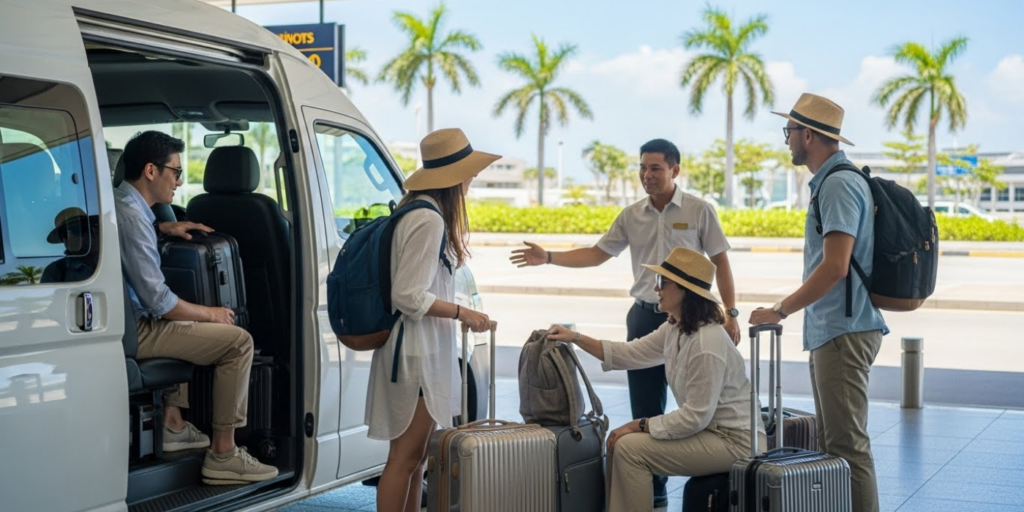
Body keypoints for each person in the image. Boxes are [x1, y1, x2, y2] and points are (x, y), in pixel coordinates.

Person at [511, 138, 740, 506]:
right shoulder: (632, 214)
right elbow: (597, 254)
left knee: (680, 407)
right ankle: (654, 493)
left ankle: (651, 473)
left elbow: (720, 262)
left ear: (675, 171)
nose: (647, 176)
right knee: (645, 408)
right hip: (648, 317)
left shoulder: (699, 210)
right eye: (642, 168)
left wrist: (730, 311)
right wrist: (549, 257)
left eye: (655, 168)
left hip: (692, 315)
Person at [749, 93, 888, 512]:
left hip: (844, 333)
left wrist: (780, 309)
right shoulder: (831, 182)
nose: (786, 140)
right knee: (833, 446)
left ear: (808, 134)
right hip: (833, 331)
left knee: (849, 449)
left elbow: (835, 267)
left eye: (789, 131)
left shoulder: (839, 184)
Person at [115, 130, 278, 484]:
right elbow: (158, 301)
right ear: (150, 171)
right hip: (136, 329)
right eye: (175, 171)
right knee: (237, 342)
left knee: (190, 321)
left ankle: (172, 425)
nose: (179, 181)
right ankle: (224, 453)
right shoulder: (130, 216)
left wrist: (163, 228)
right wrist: (213, 314)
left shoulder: (124, 205)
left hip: (127, 321)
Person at [547, 247, 764, 512]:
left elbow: (694, 417)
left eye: (662, 282)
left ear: (684, 290)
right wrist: (576, 338)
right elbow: (629, 353)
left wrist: (639, 424)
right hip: (709, 431)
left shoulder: (707, 343)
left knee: (630, 450)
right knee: (620, 445)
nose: (656, 288)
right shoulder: (676, 327)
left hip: (734, 442)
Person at [366, 128, 494, 512]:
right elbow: (408, 295)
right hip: (416, 355)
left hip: (418, 351)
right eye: (469, 172)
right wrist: (462, 311)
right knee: (405, 460)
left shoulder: (418, 210)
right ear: (454, 177)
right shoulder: (428, 220)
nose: (472, 179)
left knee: (416, 460)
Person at [41, 207, 100, 283]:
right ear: (65, 239)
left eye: (92, 229)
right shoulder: (55, 270)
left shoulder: (111, 260)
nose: (90, 234)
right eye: (78, 231)